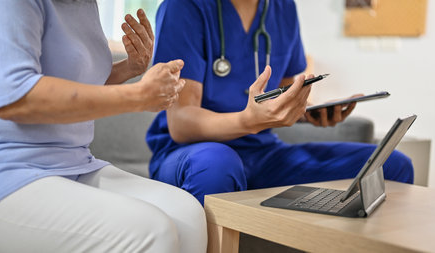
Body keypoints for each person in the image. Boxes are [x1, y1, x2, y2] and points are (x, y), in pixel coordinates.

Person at [146, 0, 414, 205]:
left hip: (263, 154)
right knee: (217, 165)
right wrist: (247, 121)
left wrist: (306, 111)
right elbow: (182, 124)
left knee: (390, 165)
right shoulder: (183, 7)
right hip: (194, 154)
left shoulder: (282, 7)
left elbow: (282, 94)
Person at [0, 1, 206, 252]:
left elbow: (70, 79)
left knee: (188, 214)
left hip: (75, 162)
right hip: (12, 168)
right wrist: (138, 96)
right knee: (151, 232)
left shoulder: (86, 4)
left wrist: (129, 68)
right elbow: (16, 99)